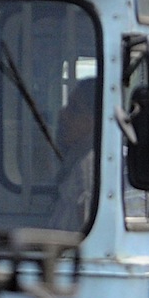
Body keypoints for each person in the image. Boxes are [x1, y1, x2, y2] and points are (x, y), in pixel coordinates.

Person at [48, 78, 96, 231]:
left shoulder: (90, 165)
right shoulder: (77, 157)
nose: (63, 114)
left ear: (95, 120)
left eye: (74, 109)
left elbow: (87, 231)